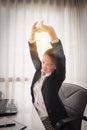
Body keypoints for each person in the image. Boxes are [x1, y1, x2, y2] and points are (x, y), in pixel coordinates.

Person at [28, 21, 68, 130]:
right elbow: (33, 54)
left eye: (49, 64)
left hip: (50, 120)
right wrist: (32, 35)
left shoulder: (57, 77)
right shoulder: (39, 70)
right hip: (36, 115)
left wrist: (51, 32)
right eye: (43, 62)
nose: (44, 66)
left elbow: (61, 58)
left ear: (55, 66)